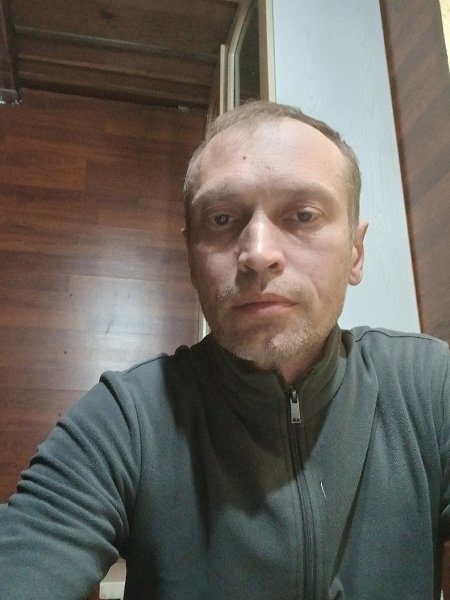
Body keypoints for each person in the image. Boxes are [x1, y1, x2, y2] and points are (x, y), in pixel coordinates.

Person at [1, 100, 449, 600]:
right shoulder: (128, 420)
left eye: (303, 215)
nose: (258, 253)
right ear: (191, 256)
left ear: (355, 253)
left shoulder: (429, 388)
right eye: (220, 218)